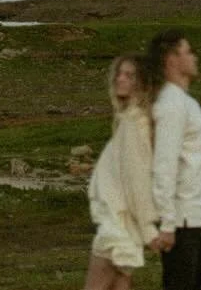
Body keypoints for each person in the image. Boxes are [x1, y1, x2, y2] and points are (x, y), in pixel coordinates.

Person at [147, 28, 201, 289]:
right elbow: (164, 165)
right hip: (185, 221)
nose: (194, 57)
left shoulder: (185, 102)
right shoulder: (170, 105)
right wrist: (167, 223)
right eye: (188, 52)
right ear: (171, 60)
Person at [85, 53, 160, 290]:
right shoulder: (129, 121)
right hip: (124, 227)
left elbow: (137, 180)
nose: (120, 79)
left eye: (129, 75)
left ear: (142, 83)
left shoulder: (134, 124)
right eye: (119, 73)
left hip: (117, 227)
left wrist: (148, 229)